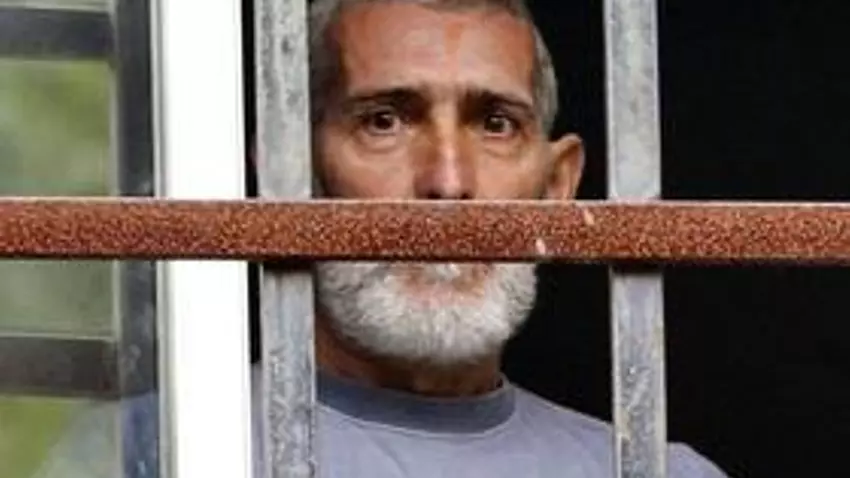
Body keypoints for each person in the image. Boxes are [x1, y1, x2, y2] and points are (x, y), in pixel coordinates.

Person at [35, 1, 729, 477]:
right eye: (385, 121)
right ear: (289, 173)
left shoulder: (658, 471)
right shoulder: (155, 450)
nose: (448, 183)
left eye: (495, 125)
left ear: (555, 186)